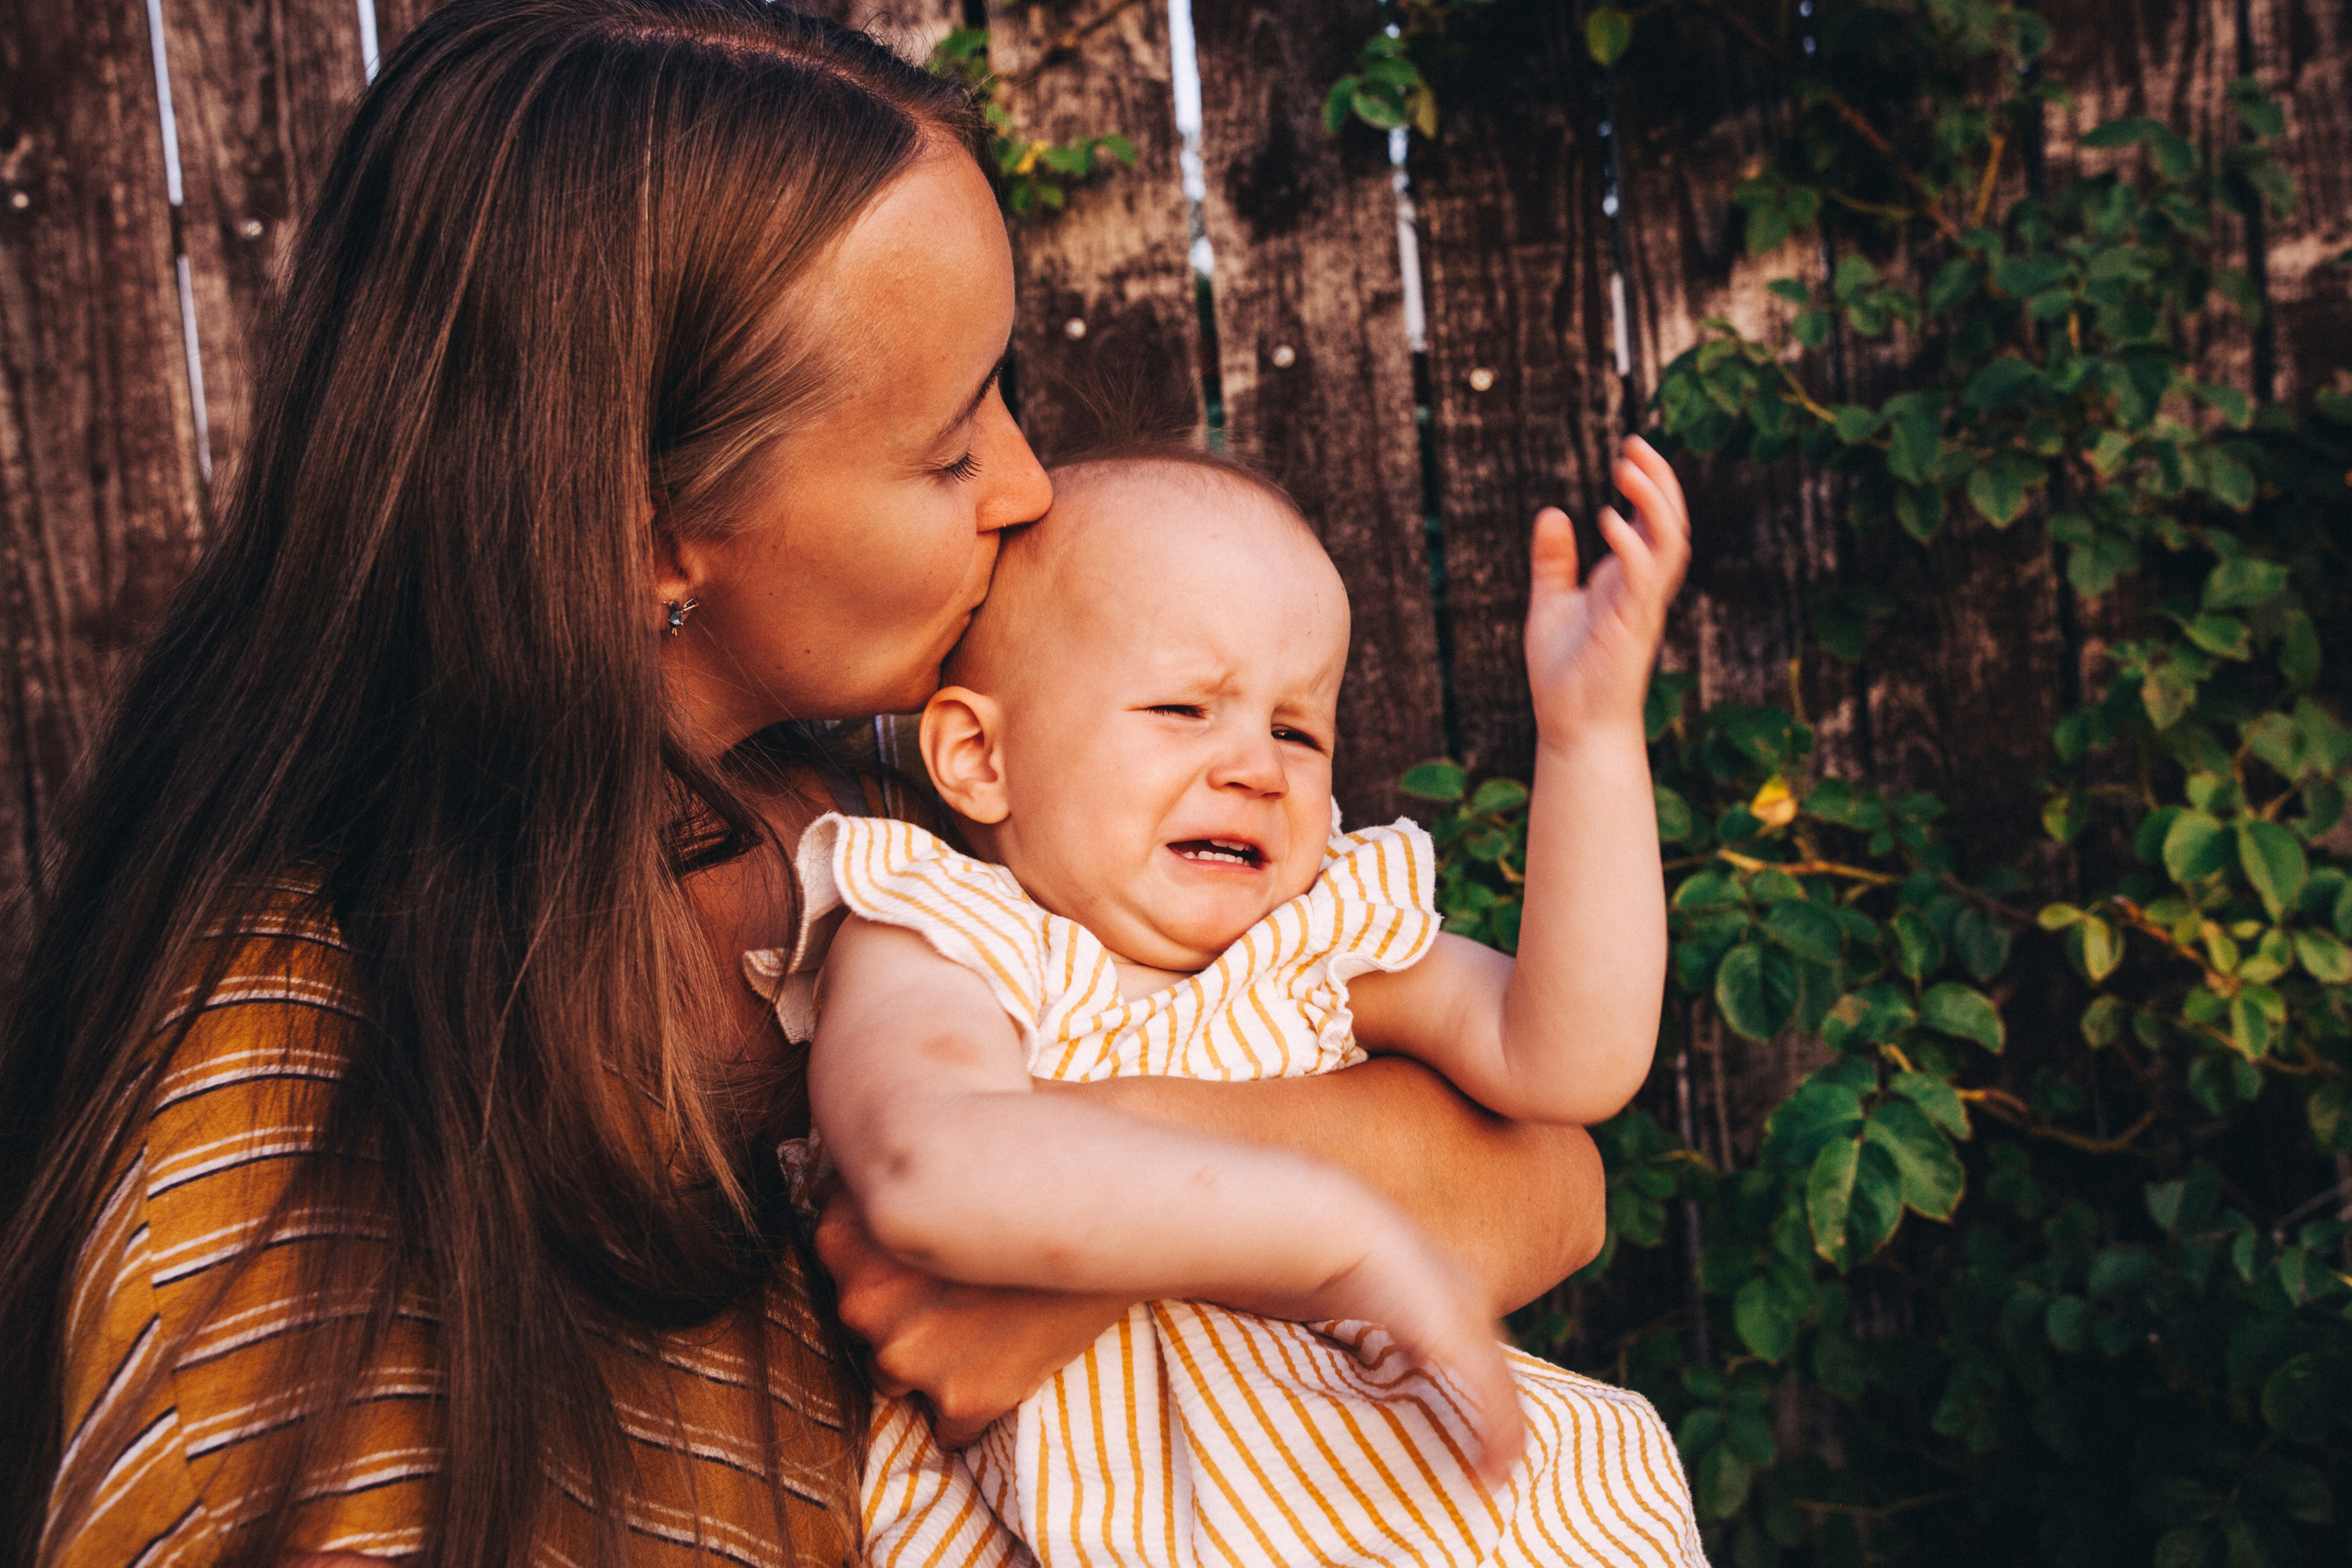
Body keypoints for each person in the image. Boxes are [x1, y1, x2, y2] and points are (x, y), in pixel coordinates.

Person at [0, 5, 1609, 1567]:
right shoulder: (312, 1100)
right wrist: (1199, 1201)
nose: (1031, 481)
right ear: (645, 535)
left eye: (1004, 391)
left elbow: (1548, 1179)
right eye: (944, 442)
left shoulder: (926, 795)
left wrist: (1092, 1224)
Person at [787, 440, 1703, 1567]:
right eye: (1182, 708)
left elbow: (1572, 1061)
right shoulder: (942, 936)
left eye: (1295, 729)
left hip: (1408, 1517)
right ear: (979, 756)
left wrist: (1590, 741)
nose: (1256, 769)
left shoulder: (1317, 936)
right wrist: (1333, 1229)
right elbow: (930, 1165)